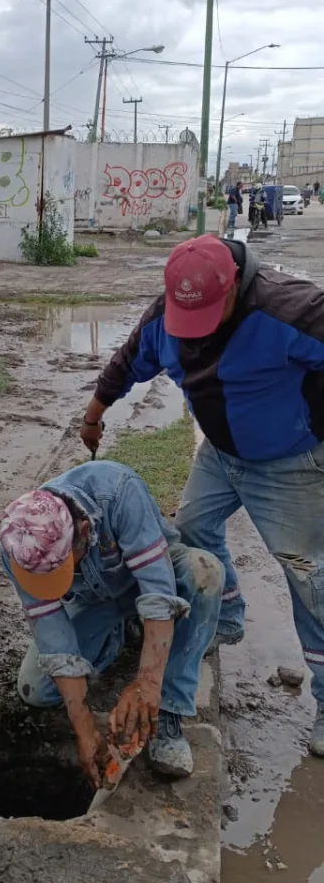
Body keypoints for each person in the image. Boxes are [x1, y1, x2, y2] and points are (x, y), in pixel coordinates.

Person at [80, 233, 324, 757]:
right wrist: (94, 414)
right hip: (220, 455)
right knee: (193, 534)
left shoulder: (292, 309)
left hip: (289, 462)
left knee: (309, 578)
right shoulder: (163, 316)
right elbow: (127, 362)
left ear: (235, 285)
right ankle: (227, 617)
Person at [0, 465, 223, 787]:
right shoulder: (17, 544)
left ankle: (169, 710)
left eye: (58, 570)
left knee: (204, 572)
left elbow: (159, 593)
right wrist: (84, 727)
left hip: (150, 577)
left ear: (85, 531)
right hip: (95, 599)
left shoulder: (119, 492)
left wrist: (147, 682)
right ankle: (122, 633)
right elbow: (51, 630)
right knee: (37, 690)